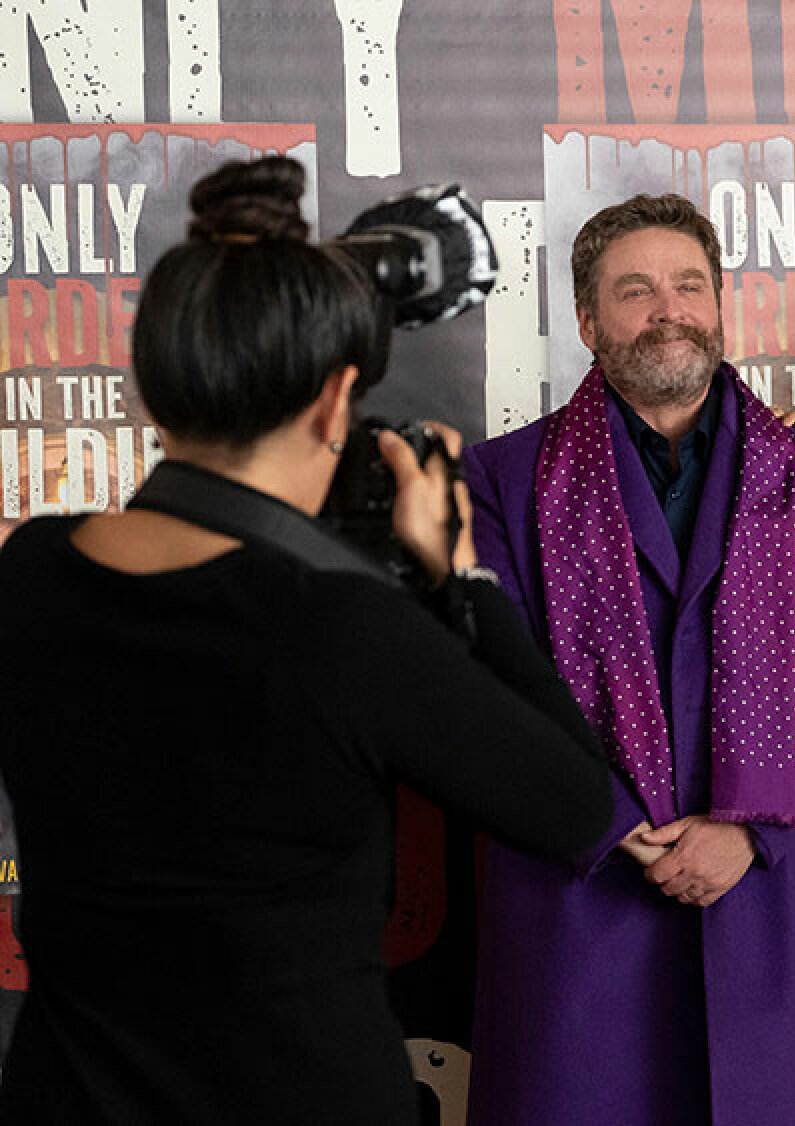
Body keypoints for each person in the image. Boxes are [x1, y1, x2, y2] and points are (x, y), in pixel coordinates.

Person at [0, 156, 613, 1124]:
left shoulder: (29, 575)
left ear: (157, 391)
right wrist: (462, 578)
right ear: (336, 402)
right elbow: (577, 806)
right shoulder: (341, 629)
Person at [461, 193, 795, 1125]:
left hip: (756, 902)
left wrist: (746, 833)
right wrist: (612, 822)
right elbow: (493, 687)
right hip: (583, 900)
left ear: (721, 305)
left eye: (690, 285)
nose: (670, 309)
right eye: (636, 290)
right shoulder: (499, 479)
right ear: (586, 321)